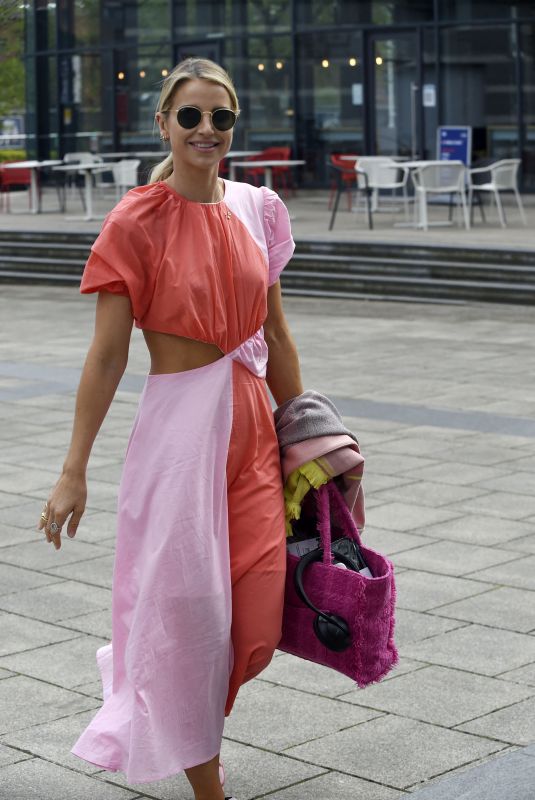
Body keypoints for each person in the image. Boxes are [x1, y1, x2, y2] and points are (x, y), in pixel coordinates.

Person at [37, 57, 303, 800]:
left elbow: (277, 338)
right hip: (177, 434)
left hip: (250, 424)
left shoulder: (258, 208)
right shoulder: (136, 219)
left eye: (220, 117)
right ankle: (204, 777)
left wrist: (308, 436)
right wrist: (73, 468)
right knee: (189, 614)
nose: (207, 129)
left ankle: (174, 709)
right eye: (190, 116)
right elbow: (107, 356)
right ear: (164, 124)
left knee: (254, 619)